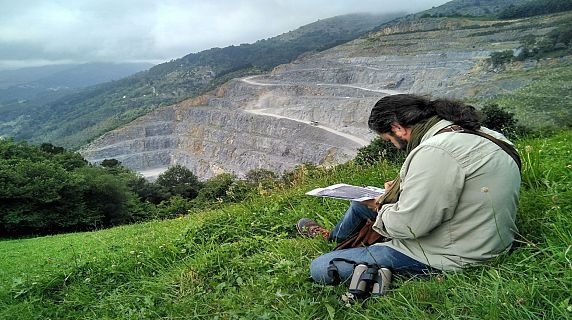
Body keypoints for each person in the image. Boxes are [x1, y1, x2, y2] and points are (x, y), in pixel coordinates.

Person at [297, 94, 521, 284]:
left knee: (323, 267)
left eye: (388, 139)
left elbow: (411, 226)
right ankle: (334, 237)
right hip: (483, 234)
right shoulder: (485, 134)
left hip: (456, 253)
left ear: (397, 128)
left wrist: (380, 206)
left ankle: (376, 264)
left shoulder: (436, 150)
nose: (393, 145)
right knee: (359, 205)